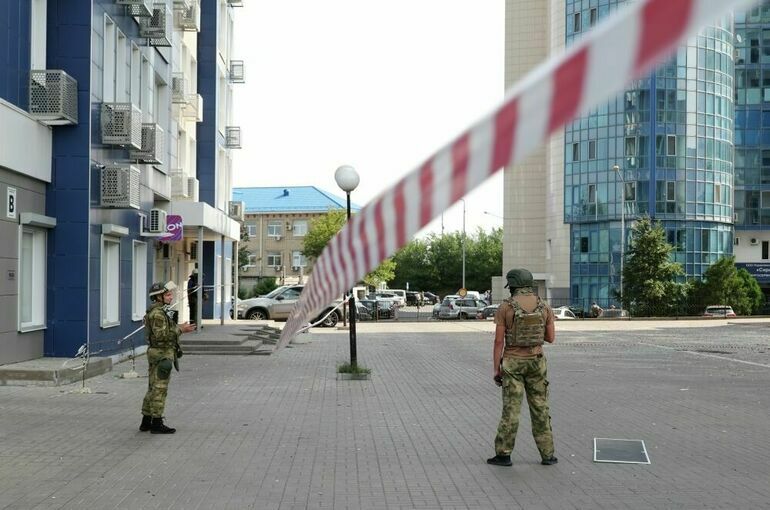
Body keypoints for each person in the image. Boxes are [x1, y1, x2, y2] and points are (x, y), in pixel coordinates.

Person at [487, 268, 558, 467]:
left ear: (514, 286)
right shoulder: (544, 307)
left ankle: (503, 454)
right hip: (537, 362)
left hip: (512, 363)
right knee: (540, 408)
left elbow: (498, 342)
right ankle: (548, 455)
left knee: (511, 410)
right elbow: (551, 338)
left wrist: (496, 369)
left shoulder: (505, 308)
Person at [140, 281, 196, 434]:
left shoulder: (160, 311)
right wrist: (181, 329)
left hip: (158, 353)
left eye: (170, 294)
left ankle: (146, 421)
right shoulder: (158, 314)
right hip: (161, 354)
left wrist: (177, 327)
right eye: (167, 294)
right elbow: (162, 336)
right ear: (158, 297)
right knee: (160, 389)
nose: (171, 297)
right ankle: (157, 423)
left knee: (152, 387)